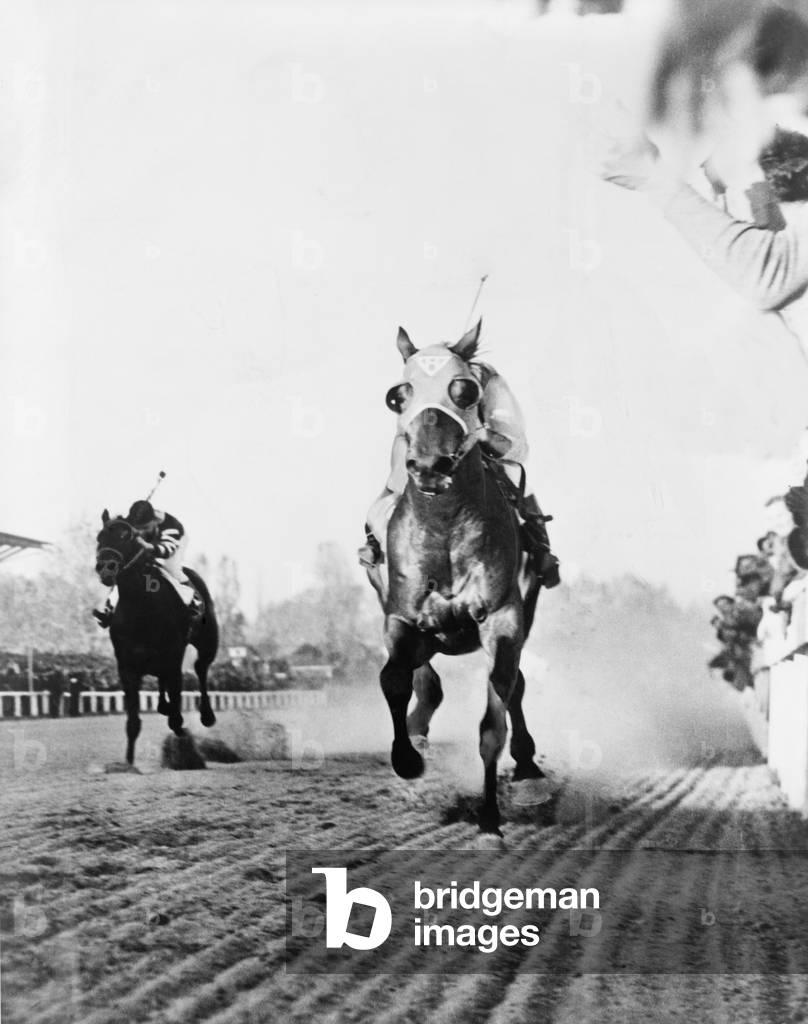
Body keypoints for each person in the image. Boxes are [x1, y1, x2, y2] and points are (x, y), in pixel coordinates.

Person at [358, 347, 561, 589]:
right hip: (434, 454)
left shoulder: (487, 381)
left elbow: (518, 447)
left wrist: (482, 436)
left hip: (480, 454)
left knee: (514, 473)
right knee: (396, 484)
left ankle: (541, 549)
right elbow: (406, 431)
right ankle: (375, 540)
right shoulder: (419, 384)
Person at [94, 500, 202, 626]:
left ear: (154, 521)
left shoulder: (172, 527)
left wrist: (150, 547)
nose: (141, 532)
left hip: (171, 545)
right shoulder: (133, 521)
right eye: (138, 529)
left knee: (171, 569)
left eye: (145, 528)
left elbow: (167, 550)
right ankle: (109, 608)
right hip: (149, 543)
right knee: (125, 570)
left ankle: (192, 600)